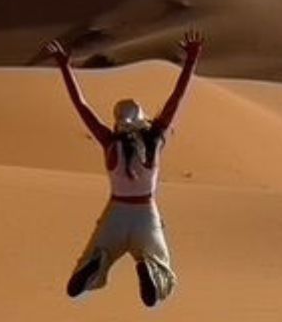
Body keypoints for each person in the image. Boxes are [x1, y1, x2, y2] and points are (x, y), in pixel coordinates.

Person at [43, 30, 204, 307]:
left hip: (116, 214)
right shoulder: (154, 138)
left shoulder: (109, 142)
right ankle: (149, 267)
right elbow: (175, 100)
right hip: (146, 214)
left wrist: (65, 67)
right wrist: (191, 60)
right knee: (160, 266)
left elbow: (81, 106)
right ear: (142, 119)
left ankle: (97, 263)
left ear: (117, 121)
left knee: (94, 256)